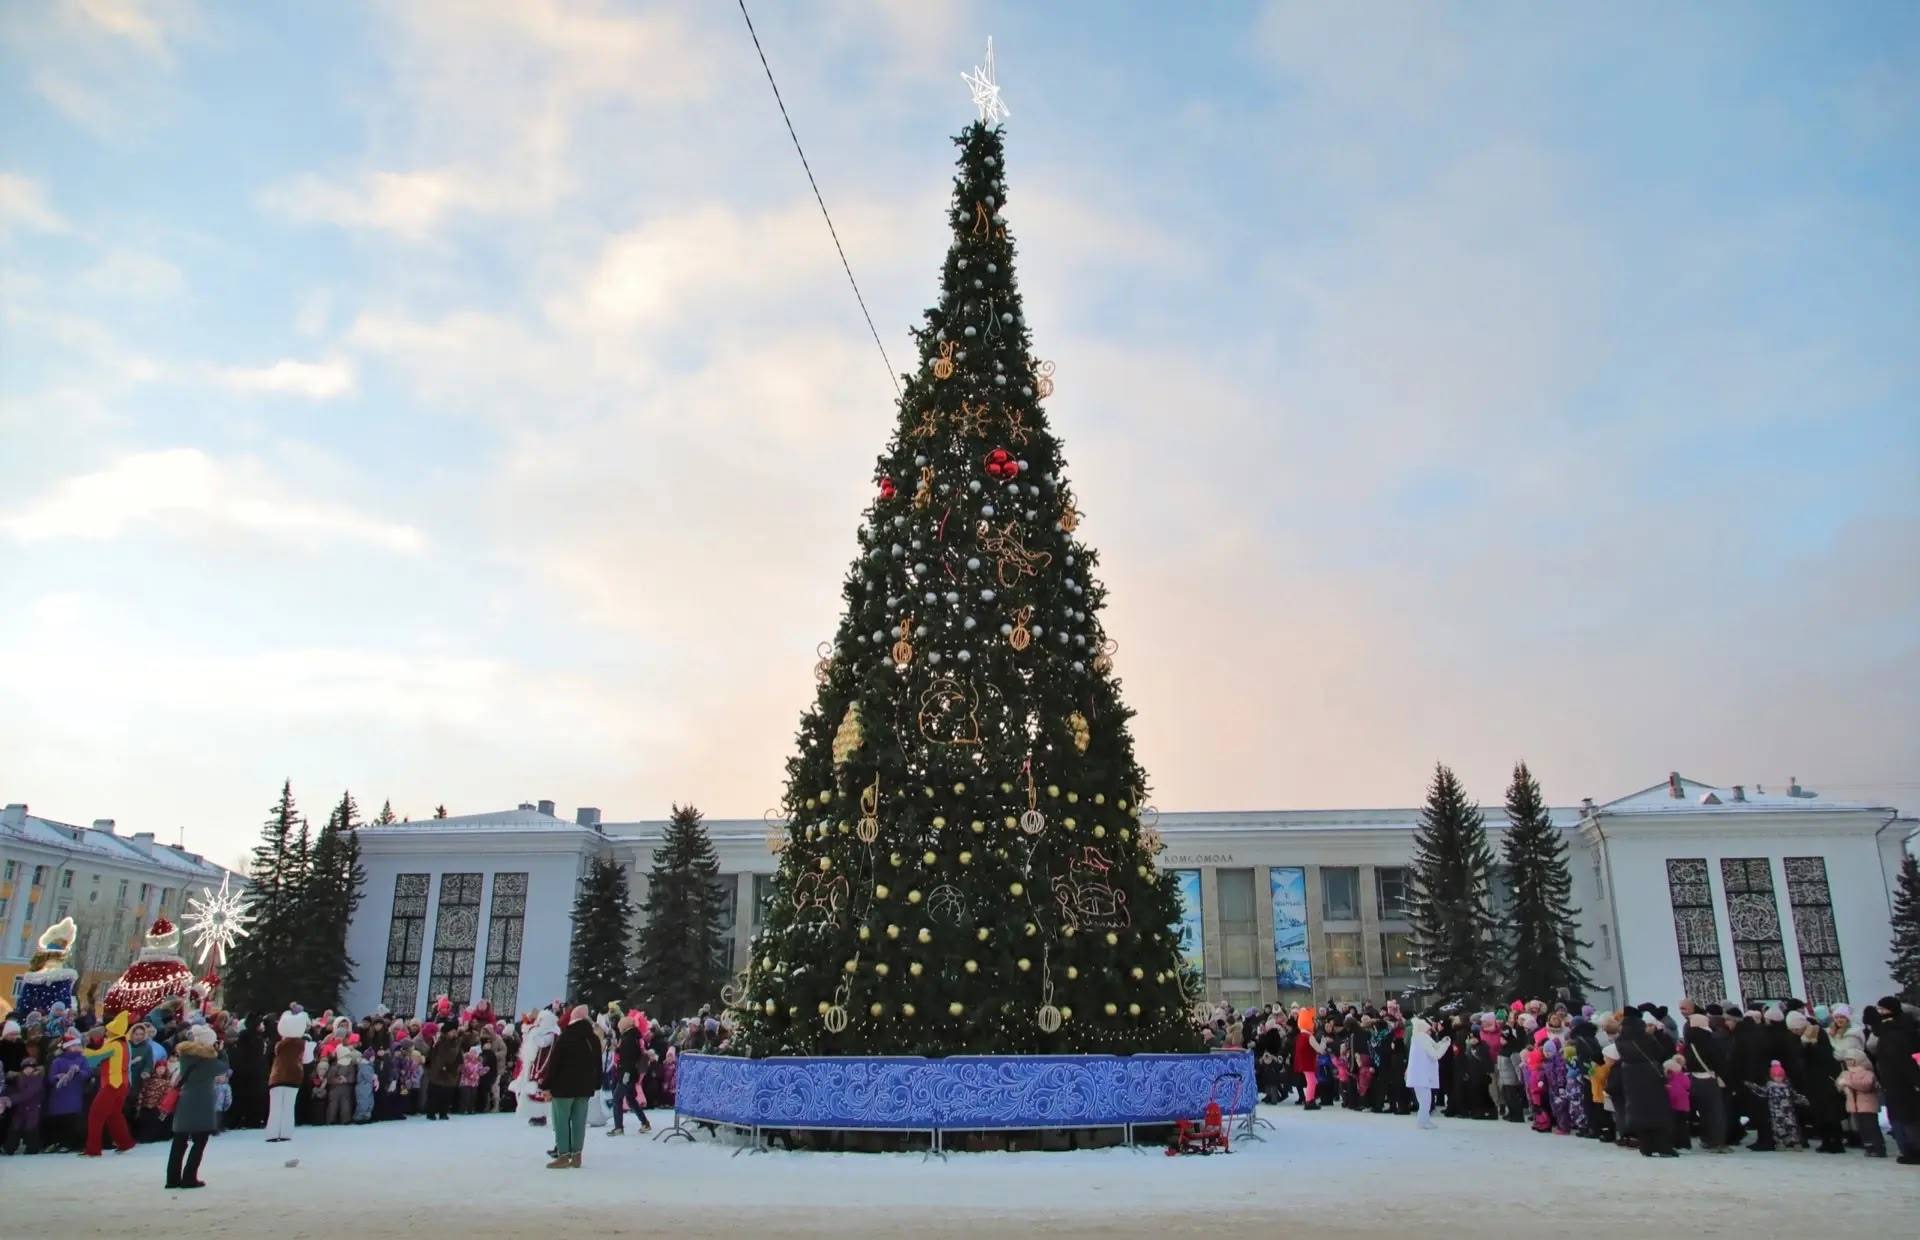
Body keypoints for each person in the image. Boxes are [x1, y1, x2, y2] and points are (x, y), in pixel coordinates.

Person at [542, 1005, 603, 1168]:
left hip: (563, 1087)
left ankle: (563, 1155)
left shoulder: (566, 1036)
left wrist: (546, 1085)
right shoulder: (593, 1039)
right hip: (584, 1087)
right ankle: (577, 1156)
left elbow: (554, 1063)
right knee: (579, 1121)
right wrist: (597, 1083)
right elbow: (598, 1063)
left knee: (561, 1121)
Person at [166, 1025, 227, 1189]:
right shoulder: (209, 1062)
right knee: (200, 1141)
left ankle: (172, 1179)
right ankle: (189, 1177)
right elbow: (224, 1067)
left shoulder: (185, 1056)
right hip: (202, 1103)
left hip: (185, 1101)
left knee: (179, 1142)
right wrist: (221, 1051)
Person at [80, 1011, 136, 1156]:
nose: (106, 1033)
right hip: (122, 1084)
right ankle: (125, 1143)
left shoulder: (114, 1045)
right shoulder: (124, 1043)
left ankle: (93, 1149)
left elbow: (94, 1058)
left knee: (95, 1115)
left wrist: (85, 1048)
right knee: (114, 1114)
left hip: (113, 1084)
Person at [266, 1008, 309, 1142]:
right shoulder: (303, 1044)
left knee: (275, 1106)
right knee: (288, 1107)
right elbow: (307, 1059)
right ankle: (286, 1133)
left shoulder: (279, 1044)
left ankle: (272, 1133)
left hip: (277, 1076)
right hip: (293, 1076)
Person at [1837, 1048, 1887, 1158]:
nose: (1848, 1062)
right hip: (1854, 1106)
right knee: (1862, 1128)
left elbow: (1866, 1085)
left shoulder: (1867, 1073)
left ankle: (1878, 1147)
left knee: (1871, 1127)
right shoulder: (1846, 1073)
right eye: (1847, 1060)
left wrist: (1848, 1082)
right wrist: (1841, 1085)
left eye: (1851, 1060)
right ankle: (1868, 1146)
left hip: (1867, 1105)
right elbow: (1839, 1085)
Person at [1405, 1015, 1444, 1129]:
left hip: (1419, 1075)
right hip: (1422, 1075)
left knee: (1424, 1099)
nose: (1430, 1032)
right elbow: (1435, 1054)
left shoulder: (1416, 1038)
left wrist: (1441, 1044)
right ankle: (1422, 1121)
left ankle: (1424, 1119)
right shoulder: (1422, 1038)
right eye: (1428, 1029)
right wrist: (1445, 1045)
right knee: (1425, 1100)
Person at [425, 1027, 460, 1120]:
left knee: (446, 1095)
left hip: (450, 1072)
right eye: (452, 1031)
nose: (454, 1033)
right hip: (437, 1072)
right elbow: (433, 1055)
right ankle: (431, 1113)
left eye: (455, 1031)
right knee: (434, 1095)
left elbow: (458, 1056)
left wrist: (455, 1067)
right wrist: (439, 1066)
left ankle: (443, 1113)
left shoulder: (456, 1043)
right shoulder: (439, 1041)